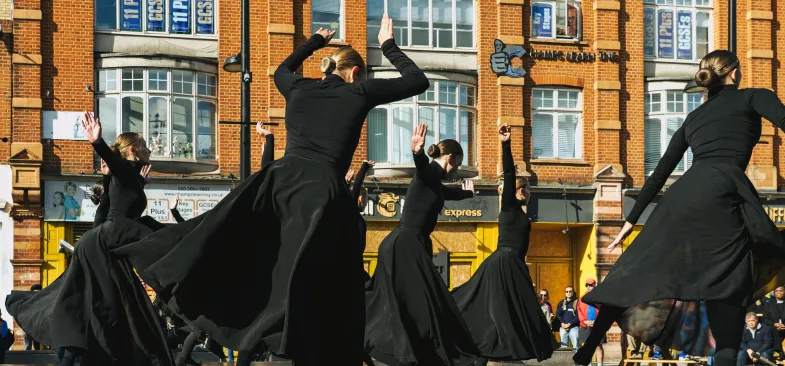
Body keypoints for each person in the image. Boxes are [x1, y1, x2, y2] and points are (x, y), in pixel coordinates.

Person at [112, 14, 428, 365]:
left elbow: (281, 70)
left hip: (279, 182)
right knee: (321, 277)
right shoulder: (358, 91)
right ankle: (317, 346)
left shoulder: (298, 88)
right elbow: (417, 81)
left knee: (257, 257)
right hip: (321, 193)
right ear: (355, 73)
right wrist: (387, 45)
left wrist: (314, 42)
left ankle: (252, 330)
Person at [572, 49, 785, 366]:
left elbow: (660, 172)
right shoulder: (754, 97)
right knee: (729, 288)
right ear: (734, 73)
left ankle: (588, 348)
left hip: (682, 195)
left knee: (636, 273)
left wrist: (630, 220)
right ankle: (726, 351)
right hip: (724, 192)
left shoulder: (694, 117)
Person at [6, 112, 173, 366]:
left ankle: (77, 355)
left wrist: (133, 182)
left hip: (103, 243)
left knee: (102, 305)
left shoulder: (127, 177)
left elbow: (107, 209)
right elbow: (116, 167)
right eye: (144, 145)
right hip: (103, 243)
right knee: (108, 307)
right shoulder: (123, 169)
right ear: (133, 149)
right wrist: (98, 143)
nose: (149, 149)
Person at [365, 123, 485, 366]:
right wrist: (417, 152)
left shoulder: (434, 183)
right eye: (457, 164)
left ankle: (414, 353)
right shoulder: (428, 173)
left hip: (410, 245)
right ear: (450, 158)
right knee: (424, 301)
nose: (456, 170)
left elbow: (446, 193)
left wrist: (467, 194)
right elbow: (423, 169)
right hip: (405, 246)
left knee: (414, 303)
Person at [451, 123, 558, 362]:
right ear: (518, 190)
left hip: (513, 262)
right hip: (504, 262)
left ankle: (491, 355)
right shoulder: (508, 206)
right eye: (526, 187)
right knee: (513, 308)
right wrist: (506, 144)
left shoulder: (519, 212)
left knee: (505, 314)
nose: (528, 191)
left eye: (529, 188)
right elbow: (509, 174)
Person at [578, 279, 604, 365]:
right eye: (587, 285)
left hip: (598, 325)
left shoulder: (600, 297)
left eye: (590, 285)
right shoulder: (582, 298)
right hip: (585, 325)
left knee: (598, 346)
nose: (589, 287)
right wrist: (584, 321)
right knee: (587, 347)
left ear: (595, 285)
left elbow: (604, 311)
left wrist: (597, 321)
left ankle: (600, 364)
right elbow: (579, 311)